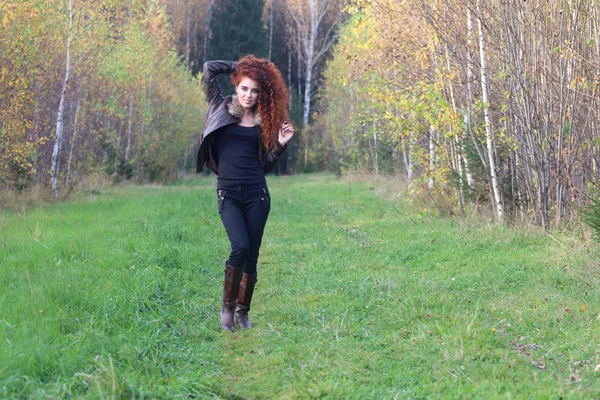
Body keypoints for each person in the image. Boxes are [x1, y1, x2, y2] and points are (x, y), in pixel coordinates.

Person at [196, 55, 294, 331]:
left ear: (260, 93)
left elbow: (266, 165)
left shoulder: (264, 120)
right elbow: (208, 69)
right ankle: (227, 308)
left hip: (257, 195)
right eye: (244, 88)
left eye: (254, 90)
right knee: (239, 246)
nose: (249, 95)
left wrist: (281, 144)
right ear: (236, 86)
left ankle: (243, 312)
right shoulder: (220, 105)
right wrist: (243, 67)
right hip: (228, 193)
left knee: (252, 254)